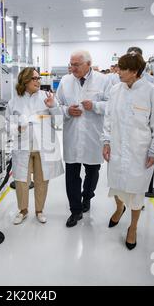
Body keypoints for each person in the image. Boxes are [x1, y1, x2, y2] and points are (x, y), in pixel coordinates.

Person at [102, 52, 154, 250]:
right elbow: (108, 118)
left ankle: (133, 227)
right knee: (116, 185)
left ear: (134, 71)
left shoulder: (151, 92)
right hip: (117, 147)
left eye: (122, 69)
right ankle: (119, 208)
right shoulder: (115, 90)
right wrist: (106, 142)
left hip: (139, 151)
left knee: (137, 192)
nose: (117, 71)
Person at [56, 51, 112, 227]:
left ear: (88, 63)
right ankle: (75, 210)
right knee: (72, 174)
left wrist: (95, 106)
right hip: (72, 135)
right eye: (71, 64)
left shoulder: (103, 80)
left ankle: (87, 197)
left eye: (76, 65)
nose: (72, 68)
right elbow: (57, 104)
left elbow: (112, 105)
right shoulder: (65, 81)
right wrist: (66, 111)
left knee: (92, 172)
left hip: (93, 136)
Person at [6, 67, 64, 225]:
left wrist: (53, 106)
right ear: (25, 81)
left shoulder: (47, 96)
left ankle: (39, 210)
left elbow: (58, 122)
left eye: (39, 78)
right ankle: (23, 210)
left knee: (41, 181)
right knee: (21, 181)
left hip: (43, 148)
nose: (39, 81)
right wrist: (17, 128)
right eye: (35, 78)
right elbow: (7, 123)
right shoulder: (15, 100)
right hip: (23, 146)